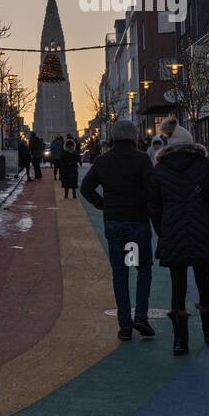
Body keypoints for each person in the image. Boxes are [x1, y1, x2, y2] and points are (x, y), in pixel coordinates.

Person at [149, 122, 209, 356]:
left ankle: (180, 341)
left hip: (173, 231)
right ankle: (208, 331)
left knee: (178, 287)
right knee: (204, 282)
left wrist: (161, 228)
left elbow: (153, 204)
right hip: (202, 227)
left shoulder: (161, 169)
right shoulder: (203, 163)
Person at [81, 120, 156, 341]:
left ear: (113, 137)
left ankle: (124, 325)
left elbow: (86, 187)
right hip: (138, 221)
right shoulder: (142, 159)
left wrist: (102, 203)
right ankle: (141, 315)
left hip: (114, 222)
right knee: (143, 268)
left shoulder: (103, 160)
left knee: (120, 272)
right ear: (133, 137)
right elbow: (152, 190)